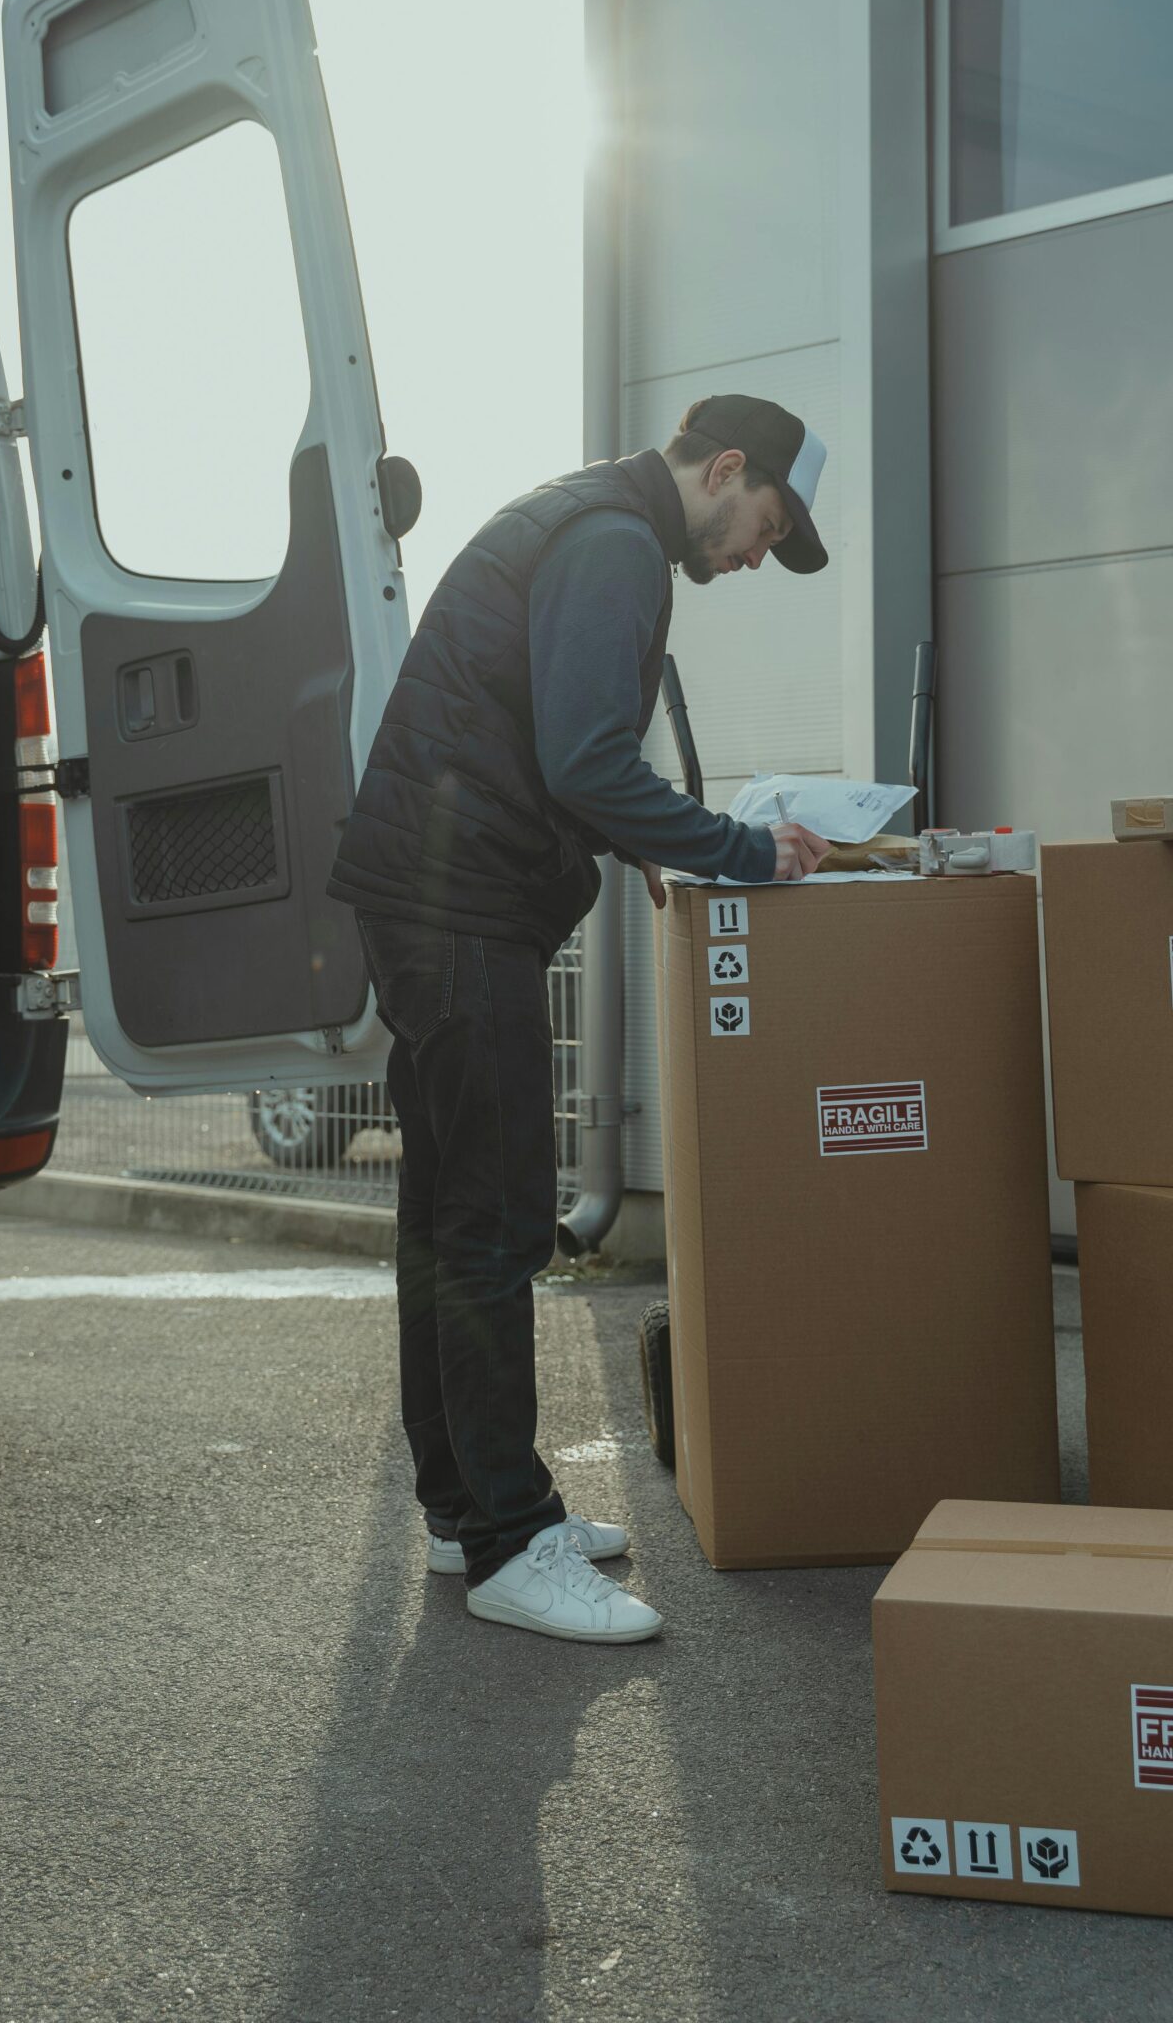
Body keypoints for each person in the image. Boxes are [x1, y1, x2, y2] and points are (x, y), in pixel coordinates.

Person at [328, 394, 833, 1644]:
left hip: (429, 898)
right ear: (726, 470)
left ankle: (463, 1510)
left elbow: (550, 742)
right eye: (765, 526)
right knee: (495, 1225)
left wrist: (633, 836)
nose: (754, 555)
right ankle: (511, 1537)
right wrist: (740, 851)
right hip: (466, 913)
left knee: (447, 1223)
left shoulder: (580, 516)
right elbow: (587, 759)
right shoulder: (615, 544)